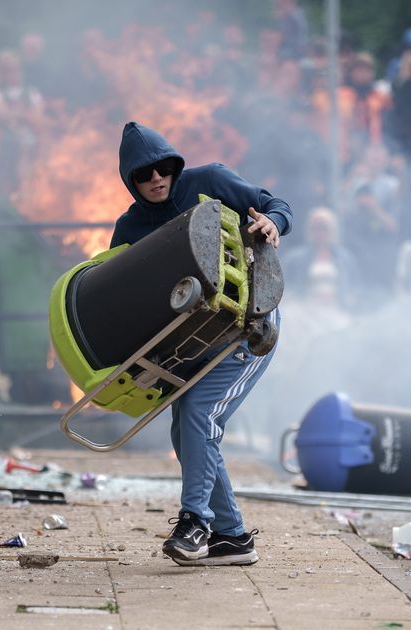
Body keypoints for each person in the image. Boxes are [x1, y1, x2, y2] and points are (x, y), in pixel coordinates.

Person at [110, 122, 291, 566]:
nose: (155, 179)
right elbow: (122, 295)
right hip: (192, 342)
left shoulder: (208, 180)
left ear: (174, 166)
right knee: (186, 430)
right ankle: (231, 538)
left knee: (199, 415)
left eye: (162, 169)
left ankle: (195, 521)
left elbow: (274, 204)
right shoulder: (129, 226)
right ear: (130, 181)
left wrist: (272, 221)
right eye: (143, 174)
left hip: (249, 329)